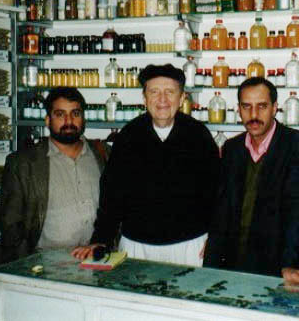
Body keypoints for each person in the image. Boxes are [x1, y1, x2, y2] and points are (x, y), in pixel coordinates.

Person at [72, 64, 220, 267]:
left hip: (191, 246)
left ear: (182, 98)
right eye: (154, 92)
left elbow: (217, 192)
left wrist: (217, 236)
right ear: (144, 98)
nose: (162, 100)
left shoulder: (199, 135)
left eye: (170, 92)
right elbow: (112, 195)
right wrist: (100, 239)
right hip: (137, 246)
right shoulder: (128, 136)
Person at [204, 77, 299, 286]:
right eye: (246, 107)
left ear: (274, 108)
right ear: (238, 109)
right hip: (234, 263)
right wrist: (212, 260)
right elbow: (222, 209)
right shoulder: (232, 149)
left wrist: (289, 265)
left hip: (279, 266)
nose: (253, 115)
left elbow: (298, 213)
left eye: (261, 106)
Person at [0, 87, 109, 262]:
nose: (69, 121)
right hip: (48, 265)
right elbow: (11, 227)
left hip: (98, 261)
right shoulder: (23, 164)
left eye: (75, 113)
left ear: (83, 118)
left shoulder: (104, 156)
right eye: (60, 114)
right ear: (47, 120)